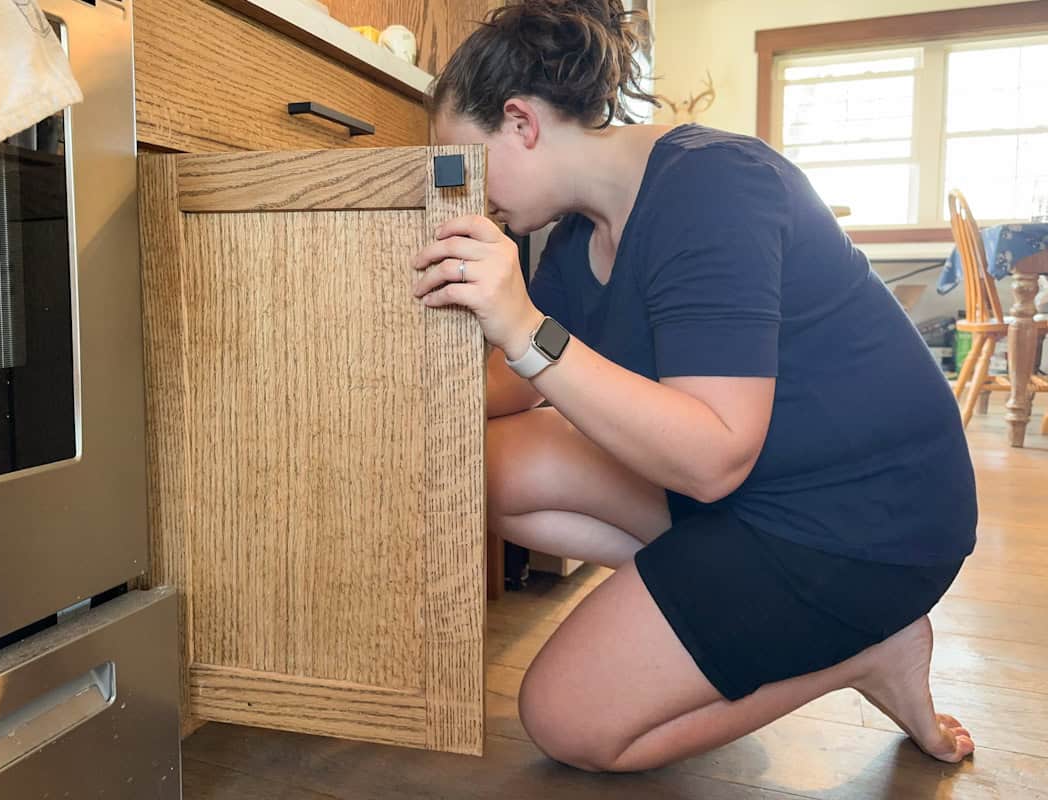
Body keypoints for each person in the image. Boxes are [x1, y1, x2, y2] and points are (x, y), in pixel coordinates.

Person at [410, 0, 978, 773]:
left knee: (567, 722)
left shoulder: (714, 187)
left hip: (866, 524)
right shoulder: (577, 239)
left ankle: (865, 650)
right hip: (758, 498)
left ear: (520, 121)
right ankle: (722, 600)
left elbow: (712, 458)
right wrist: (377, 400)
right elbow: (511, 389)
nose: (471, 194)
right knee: (490, 461)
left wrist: (522, 326)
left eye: (469, 162)